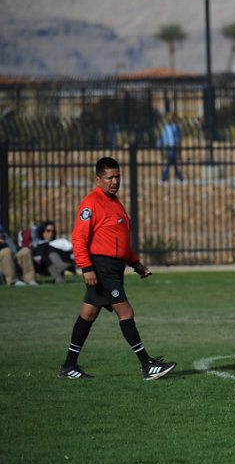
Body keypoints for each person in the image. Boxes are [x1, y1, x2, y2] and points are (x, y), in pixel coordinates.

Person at [58, 157, 176, 380]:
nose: (115, 181)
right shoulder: (91, 203)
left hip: (112, 267)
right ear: (98, 179)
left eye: (117, 177)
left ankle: (69, 366)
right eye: (110, 177)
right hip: (102, 268)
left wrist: (136, 264)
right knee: (126, 312)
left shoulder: (115, 203)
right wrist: (86, 268)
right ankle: (147, 365)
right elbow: (79, 238)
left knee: (88, 314)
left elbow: (119, 242)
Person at [158, 112, 183, 183]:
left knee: (173, 161)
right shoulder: (172, 127)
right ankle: (165, 178)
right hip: (171, 146)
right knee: (170, 161)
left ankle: (178, 176)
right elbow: (164, 136)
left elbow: (162, 136)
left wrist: (159, 145)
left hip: (170, 145)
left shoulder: (169, 126)